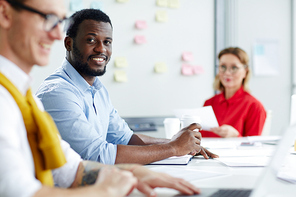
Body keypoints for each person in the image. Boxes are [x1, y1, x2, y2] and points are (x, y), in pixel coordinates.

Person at [0, 0, 201, 196]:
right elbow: (20, 191)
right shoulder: (37, 95)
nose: (55, 34)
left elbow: (71, 168)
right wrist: (107, 189)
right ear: (4, 13)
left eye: (59, 23)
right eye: (48, 18)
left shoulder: (26, 98)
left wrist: (132, 173)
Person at [36, 8, 218, 165]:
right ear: (69, 43)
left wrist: (180, 143)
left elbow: (126, 138)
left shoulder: (97, 90)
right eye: (91, 40)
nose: (101, 49)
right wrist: (172, 148)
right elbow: (97, 155)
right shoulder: (58, 93)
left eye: (107, 42)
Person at [201, 47, 266, 138]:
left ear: (245, 72)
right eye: (223, 67)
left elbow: (254, 147)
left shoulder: (254, 106)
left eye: (234, 68)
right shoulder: (208, 103)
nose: (227, 73)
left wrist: (236, 137)